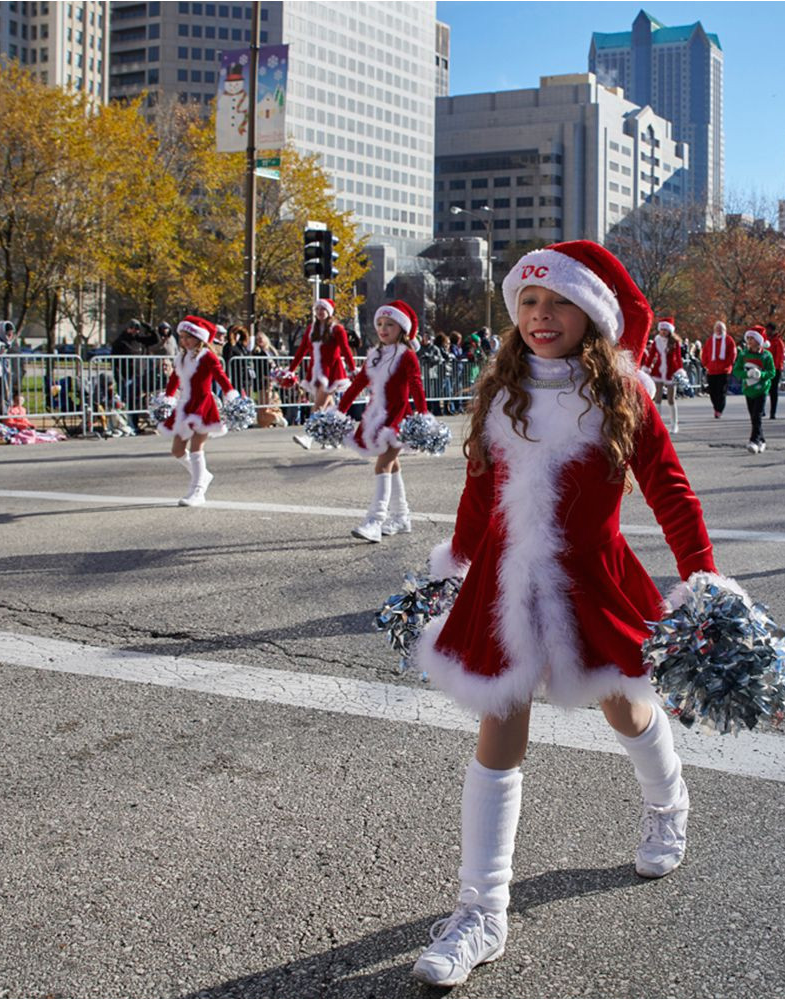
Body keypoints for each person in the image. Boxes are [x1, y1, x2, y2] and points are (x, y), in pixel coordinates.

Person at [408, 240, 741, 988]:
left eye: (557, 302)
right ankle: (482, 911)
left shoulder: (622, 392)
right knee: (500, 721)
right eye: (527, 302)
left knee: (625, 712)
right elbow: (477, 492)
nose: (540, 316)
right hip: (504, 585)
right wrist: (454, 567)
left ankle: (668, 803)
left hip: (593, 580)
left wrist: (705, 582)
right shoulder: (501, 391)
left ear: (591, 315)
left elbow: (672, 494)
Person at [336, 301, 429, 541]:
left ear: (402, 329)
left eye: (390, 324)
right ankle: (401, 517)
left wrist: (423, 415)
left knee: (383, 464)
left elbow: (416, 385)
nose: (383, 329)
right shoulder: (376, 355)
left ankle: (375, 521)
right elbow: (357, 384)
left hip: (399, 417)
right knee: (392, 464)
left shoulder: (407, 355)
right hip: (378, 415)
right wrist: (339, 410)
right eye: (379, 324)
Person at [158, 316, 240, 507]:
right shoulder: (181, 357)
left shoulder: (207, 356)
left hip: (203, 404)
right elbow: (174, 380)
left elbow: (220, 376)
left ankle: (197, 491)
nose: (184, 341)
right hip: (185, 405)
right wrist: (168, 397)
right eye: (182, 337)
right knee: (177, 450)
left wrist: (231, 395)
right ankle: (203, 475)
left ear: (199, 337)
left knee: (196, 448)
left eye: (188, 336)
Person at [289, 298, 355, 449]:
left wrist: (353, 369)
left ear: (329, 312)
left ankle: (308, 436)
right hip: (316, 372)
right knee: (329, 407)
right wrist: (291, 370)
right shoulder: (311, 329)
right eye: (317, 309)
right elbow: (301, 351)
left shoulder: (337, 329)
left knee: (318, 405)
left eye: (323, 309)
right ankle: (335, 436)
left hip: (332, 373)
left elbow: (345, 349)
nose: (320, 312)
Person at [733, 327, 775, 453]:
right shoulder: (743, 354)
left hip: (761, 390)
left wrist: (761, 375)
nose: (749, 341)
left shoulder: (767, 356)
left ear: (758, 341)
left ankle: (754, 441)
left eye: (752, 338)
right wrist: (747, 374)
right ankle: (762, 440)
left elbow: (772, 372)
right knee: (753, 417)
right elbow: (736, 370)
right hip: (748, 390)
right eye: (748, 338)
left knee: (757, 416)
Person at [642, 316, 685, 434]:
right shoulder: (656, 340)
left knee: (671, 399)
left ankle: (674, 425)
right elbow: (651, 356)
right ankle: (658, 424)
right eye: (661, 329)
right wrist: (646, 367)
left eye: (665, 330)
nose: (663, 332)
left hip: (672, 372)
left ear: (670, 331)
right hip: (658, 371)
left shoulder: (675, 342)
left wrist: (680, 370)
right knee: (658, 398)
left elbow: (679, 358)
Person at [701, 320, 736, 419]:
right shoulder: (710, 340)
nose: (718, 331)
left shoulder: (729, 340)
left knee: (721, 391)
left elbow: (732, 354)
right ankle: (716, 407)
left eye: (720, 329)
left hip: (723, 371)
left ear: (724, 330)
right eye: (717, 329)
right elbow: (705, 353)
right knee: (712, 391)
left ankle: (719, 409)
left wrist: (728, 365)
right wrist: (705, 364)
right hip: (711, 370)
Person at [765, 325, 785, 419]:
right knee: (763, 390)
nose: (768, 331)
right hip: (764, 369)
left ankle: (772, 412)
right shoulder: (764, 341)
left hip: (774, 369)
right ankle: (761, 409)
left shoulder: (778, 342)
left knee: (773, 391)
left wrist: (776, 368)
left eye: (769, 330)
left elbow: (780, 357)